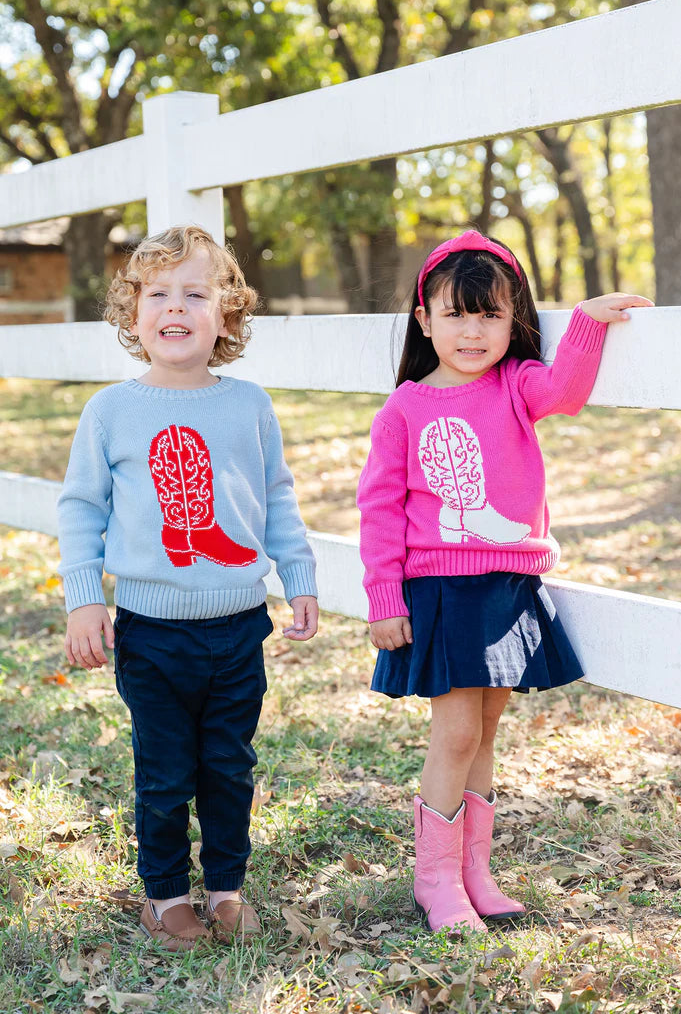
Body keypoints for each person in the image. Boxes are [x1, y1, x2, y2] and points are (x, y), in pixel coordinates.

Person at [357, 229, 652, 934]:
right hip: (442, 589)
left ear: (512, 319)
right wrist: (383, 597)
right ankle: (434, 880)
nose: (472, 331)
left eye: (489, 314)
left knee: (486, 731)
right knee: (456, 732)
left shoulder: (515, 385)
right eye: (455, 314)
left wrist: (585, 322)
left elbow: (566, 392)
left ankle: (473, 871)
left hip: (507, 585)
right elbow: (379, 507)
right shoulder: (405, 408)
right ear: (424, 320)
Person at [58, 225, 318, 952]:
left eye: (196, 294)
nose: (176, 306)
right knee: (167, 771)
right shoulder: (111, 410)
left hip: (238, 626)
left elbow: (276, 496)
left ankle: (227, 888)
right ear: (133, 313)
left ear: (226, 316)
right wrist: (85, 598)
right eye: (158, 293)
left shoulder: (248, 405)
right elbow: (80, 509)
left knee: (230, 765)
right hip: (151, 631)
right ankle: (166, 896)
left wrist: (297, 575)